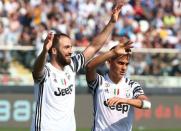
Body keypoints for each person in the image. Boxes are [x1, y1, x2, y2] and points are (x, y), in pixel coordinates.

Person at [31, 2, 124, 131]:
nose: (71, 51)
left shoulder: (71, 66)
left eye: (71, 47)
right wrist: (44, 51)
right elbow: (36, 71)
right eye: (66, 47)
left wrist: (112, 22)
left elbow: (93, 47)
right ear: (53, 51)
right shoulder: (46, 71)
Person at [86, 39, 151, 131]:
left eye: (126, 64)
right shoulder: (99, 82)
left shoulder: (132, 85)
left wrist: (125, 101)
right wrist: (112, 53)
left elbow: (147, 104)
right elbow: (89, 67)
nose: (124, 68)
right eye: (120, 63)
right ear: (109, 62)